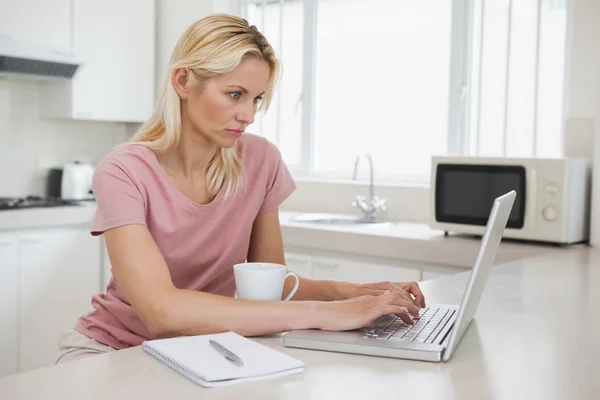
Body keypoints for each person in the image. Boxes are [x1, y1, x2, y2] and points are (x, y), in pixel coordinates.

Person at [55, 13, 425, 364]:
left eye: (256, 99)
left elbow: (269, 284)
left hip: (207, 352)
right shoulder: (123, 172)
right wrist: (325, 313)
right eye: (235, 94)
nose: (249, 115)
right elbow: (161, 311)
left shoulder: (260, 160)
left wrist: (355, 294)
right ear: (183, 82)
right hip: (113, 352)